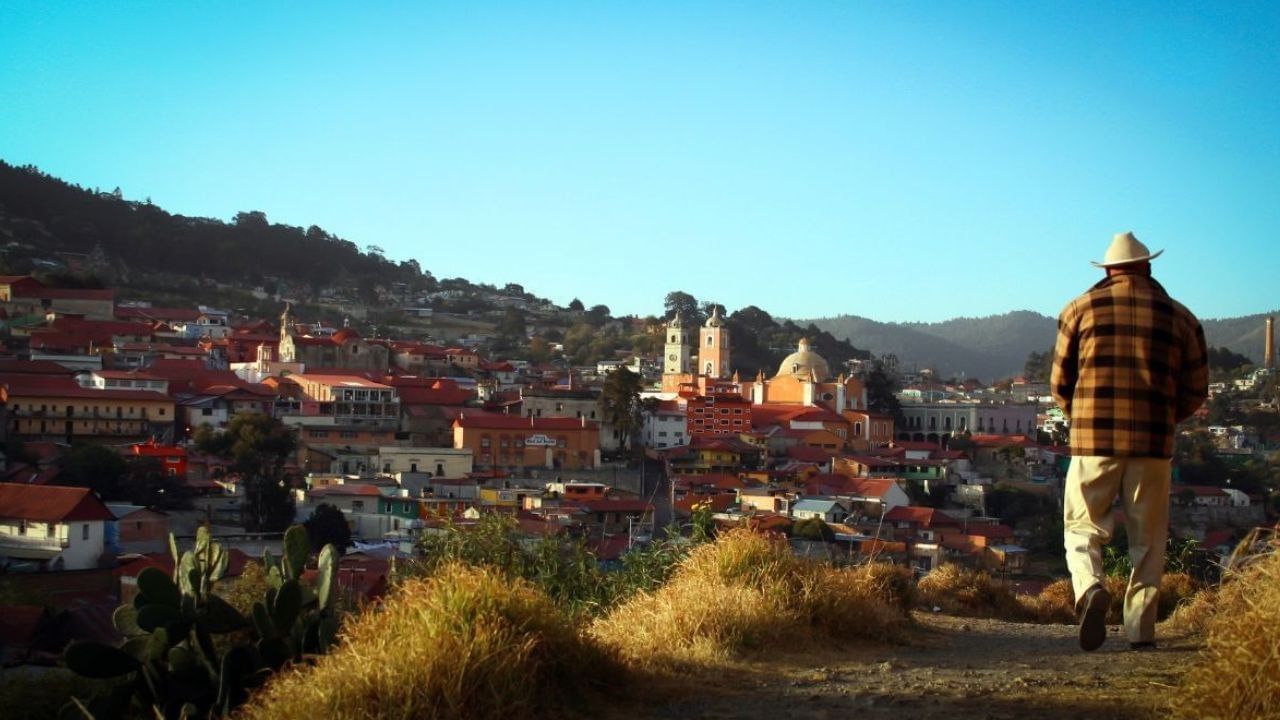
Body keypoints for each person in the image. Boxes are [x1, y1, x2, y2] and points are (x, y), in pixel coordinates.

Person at [1051, 231, 1208, 652]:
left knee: (1082, 525)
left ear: (1108, 271)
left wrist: (1080, 417)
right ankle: (1141, 631)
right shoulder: (1181, 317)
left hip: (1092, 441)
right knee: (1149, 539)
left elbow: (1059, 383)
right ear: (1148, 268)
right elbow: (1196, 390)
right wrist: (1164, 417)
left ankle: (1089, 590)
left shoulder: (1078, 310)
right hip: (1154, 446)